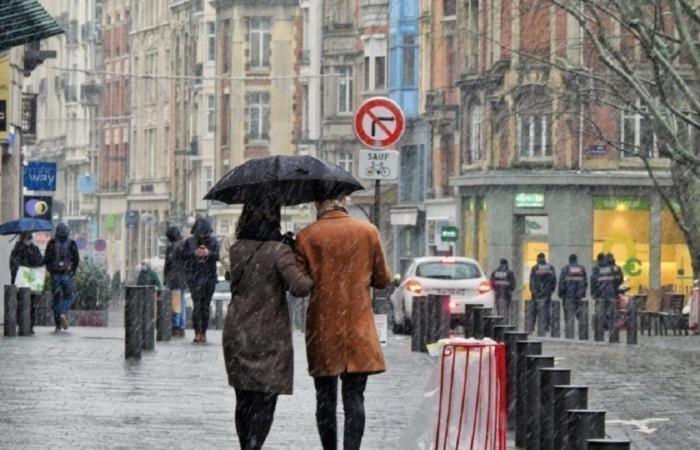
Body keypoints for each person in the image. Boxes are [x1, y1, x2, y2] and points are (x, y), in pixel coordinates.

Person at [296, 194, 392, 450]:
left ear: (317, 203)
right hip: (358, 326)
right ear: (345, 200)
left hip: (323, 326)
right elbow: (383, 279)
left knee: (325, 399)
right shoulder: (367, 232)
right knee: (354, 397)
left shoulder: (307, 235)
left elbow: (300, 284)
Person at [222, 200, 313, 450]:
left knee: (243, 397)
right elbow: (300, 287)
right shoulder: (279, 251)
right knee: (265, 398)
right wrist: (298, 258)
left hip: (238, 330)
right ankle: (255, 446)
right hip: (269, 334)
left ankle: (246, 446)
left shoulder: (238, 248)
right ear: (274, 217)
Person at [182, 218, 219, 343]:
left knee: (205, 306)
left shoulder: (213, 242)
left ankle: (203, 332)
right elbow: (184, 256)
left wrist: (209, 253)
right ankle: (197, 332)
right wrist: (194, 253)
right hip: (194, 278)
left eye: (204, 233)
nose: (202, 236)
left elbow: (218, 255)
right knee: (197, 306)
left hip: (209, 278)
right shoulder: (189, 242)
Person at [44, 223, 80, 332]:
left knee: (56, 299)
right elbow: (76, 260)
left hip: (55, 275)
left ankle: (57, 325)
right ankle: (63, 312)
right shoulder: (71, 243)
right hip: (66, 274)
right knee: (68, 297)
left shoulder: (51, 243)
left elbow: (47, 259)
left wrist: (51, 271)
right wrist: (72, 271)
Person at [10, 232, 44, 333]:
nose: (29, 239)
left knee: (29, 303)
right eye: (28, 237)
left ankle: (28, 325)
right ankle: (25, 325)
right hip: (24, 280)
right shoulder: (18, 249)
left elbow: (40, 261)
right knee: (26, 303)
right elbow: (14, 264)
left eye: (30, 237)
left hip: (28, 280)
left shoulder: (20, 249)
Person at [164, 226, 187, 337]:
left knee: (175, 302)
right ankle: (181, 327)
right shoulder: (183, 245)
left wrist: (166, 278)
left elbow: (167, 265)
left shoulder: (171, 247)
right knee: (180, 302)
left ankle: (176, 326)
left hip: (174, 279)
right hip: (181, 279)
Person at [558, 254, 588, 338]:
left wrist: (560, 293)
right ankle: (582, 333)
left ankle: (569, 333)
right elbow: (585, 282)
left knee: (568, 315)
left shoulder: (565, 269)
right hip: (579, 296)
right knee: (580, 315)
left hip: (569, 295)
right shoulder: (581, 269)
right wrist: (582, 292)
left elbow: (561, 282)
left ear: (569, 260)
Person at [590, 253, 620, 332]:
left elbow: (593, 281)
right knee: (611, 312)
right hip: (611, 294)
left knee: (600, 312)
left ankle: (601, 329)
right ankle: (610, 329)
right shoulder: (612, 268)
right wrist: (615, 290)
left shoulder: (596, 269)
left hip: (600, 294)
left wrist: (593, 293)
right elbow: (617, 280)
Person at [529, 253, 556, 334]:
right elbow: (554, 280)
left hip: (536, 293)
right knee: (546, 310)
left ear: (538, 258)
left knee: (534, 311)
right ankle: (546, 327)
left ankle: (533, 327)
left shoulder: (535, 268)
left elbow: (532, 280)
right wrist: (551, 289)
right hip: (547, 292)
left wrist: (533, 290)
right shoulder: (550, 267)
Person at [490, 258, 516, 323]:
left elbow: (491, 282)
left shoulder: (495, 272)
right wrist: (509, 289)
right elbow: (513, 285)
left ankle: (499, 324)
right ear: (507, 264)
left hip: (498, 294)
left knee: (498, 310)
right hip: (507, 295)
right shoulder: (510, 273)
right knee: (506, 310)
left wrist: (496, 289)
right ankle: (505, 324)